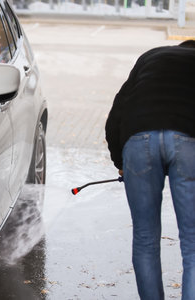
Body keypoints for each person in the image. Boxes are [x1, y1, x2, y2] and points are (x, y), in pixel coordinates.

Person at [105, 40, 195, 300]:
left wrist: (120, 163)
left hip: (138, 140)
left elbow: (116, 113)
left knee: (145, 239)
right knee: (192, 245)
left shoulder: (151, 57)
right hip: (188, 139)